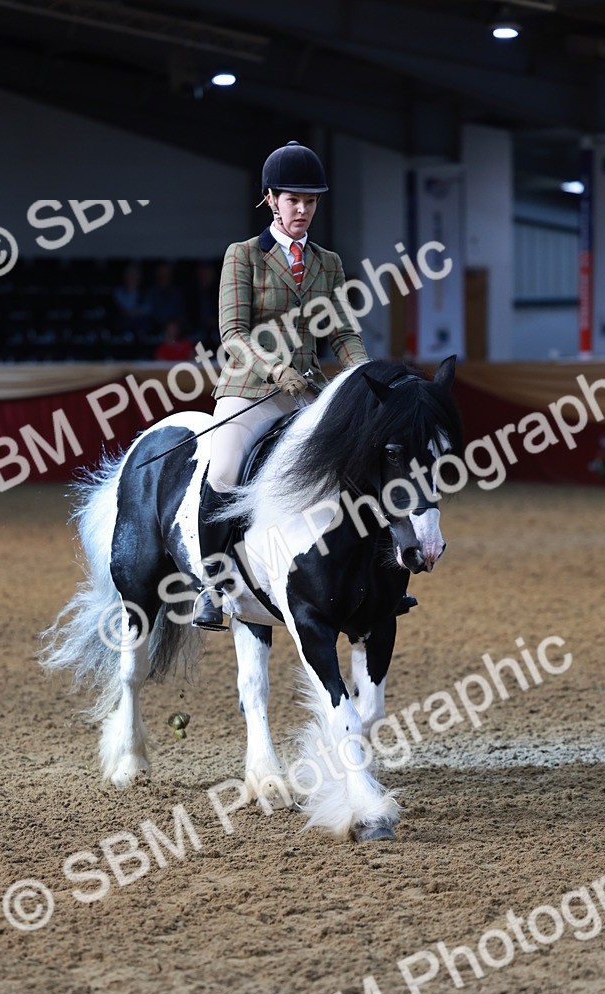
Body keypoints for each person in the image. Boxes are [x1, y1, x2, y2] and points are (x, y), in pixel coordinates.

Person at [192, 140, 371, 630]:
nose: (302, 210)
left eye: (310, 202)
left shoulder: (328, 263)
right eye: (293, 200)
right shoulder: (243, 255)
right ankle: (213, 587)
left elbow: (342, 331)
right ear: (271, 199)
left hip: (306, 393)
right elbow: (232, 333)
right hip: (251, 388)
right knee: (225, 471)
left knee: (356, 470)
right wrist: (274, 370)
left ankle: (367, 581)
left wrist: (365, 375)